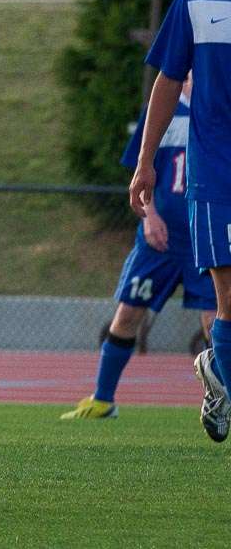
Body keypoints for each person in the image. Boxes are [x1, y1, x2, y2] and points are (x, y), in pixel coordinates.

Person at [130, 0, 231, 443]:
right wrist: (144, 164)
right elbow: (167, 83)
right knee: (228, 297)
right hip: (216, 175)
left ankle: (220, 373)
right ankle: (223, 375)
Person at [62, 75, 215, 419]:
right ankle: (103, 400)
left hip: (204, 238)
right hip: (158, 241)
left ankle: (221, 405)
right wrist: (149, 217)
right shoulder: (161, 109)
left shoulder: (219, 106)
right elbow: (140, 173)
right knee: (128, 313)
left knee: (215, 326)